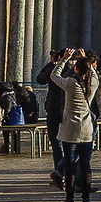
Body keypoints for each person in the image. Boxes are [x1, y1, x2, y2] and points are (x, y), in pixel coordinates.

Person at [48, 51, 100, 202]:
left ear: (76, 69)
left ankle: (69, 198)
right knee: (86, 165)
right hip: (87, 129)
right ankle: (86, 197)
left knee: (70, 164)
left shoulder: (71, 83)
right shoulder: (93, 83)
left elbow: (54, 75)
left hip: (70, 128)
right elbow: (94, 74)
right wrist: (86, 61)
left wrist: (64, 59)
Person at [35, 50, 68, 186]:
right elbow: (40, 79)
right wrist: (52, 63)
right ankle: (59, 172)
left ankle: (61, 171)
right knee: (56, 145)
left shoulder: (67, 70)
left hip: (63, 110)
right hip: (56, 110)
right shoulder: (66, 70)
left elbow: (41, 78)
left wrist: (53, 63)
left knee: (63, 145)